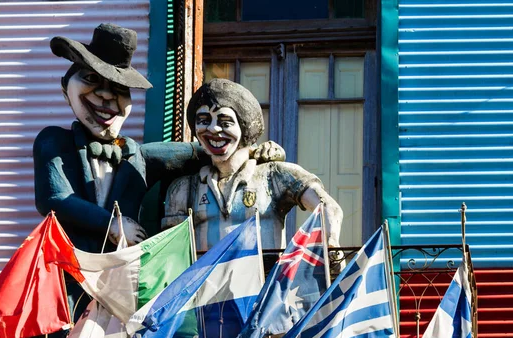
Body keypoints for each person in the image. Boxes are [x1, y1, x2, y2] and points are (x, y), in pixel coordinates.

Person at [33, 24, 285, 254]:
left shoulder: (138, 155)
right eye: (91, 79)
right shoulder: (54, 141)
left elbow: (202, 150)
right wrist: (112, 224)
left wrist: (252, 151)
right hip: (67, 269)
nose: (105, 95)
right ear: (66, 89)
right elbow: (54, 198)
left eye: (119, 88)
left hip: (123, 275)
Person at [162, 78, 343, 251]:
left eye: (225, 122)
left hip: (263, 280)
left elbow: (327, 207)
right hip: (205, 282)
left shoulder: (275, 176)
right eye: (204, 120)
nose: (213, 129)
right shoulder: (183, 189)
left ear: (245, 126)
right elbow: (171, 250)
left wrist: (330, 244)